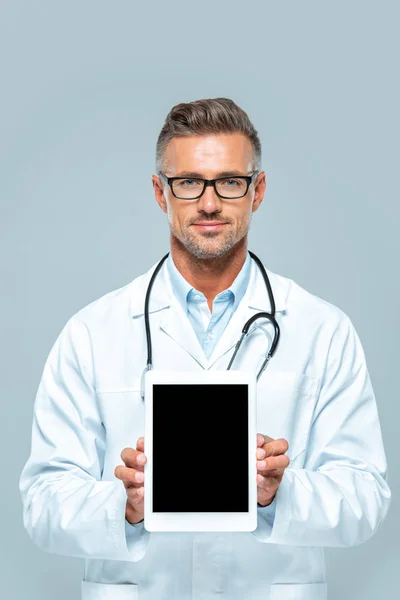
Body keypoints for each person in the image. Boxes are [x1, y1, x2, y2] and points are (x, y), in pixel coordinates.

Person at [19, 98, 391, 600]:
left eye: (230, 182)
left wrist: (278, 495)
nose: (209, 203)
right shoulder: (92, 333)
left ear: (257, 191)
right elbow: (41, 504)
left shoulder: (323, 329)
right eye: (188, 182)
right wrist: (124, 506)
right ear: (160, 193)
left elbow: (366, 497)